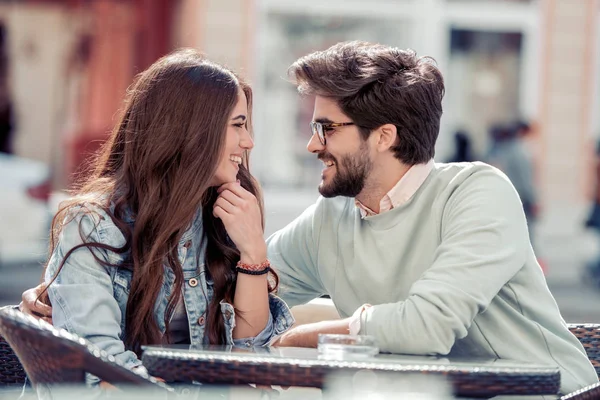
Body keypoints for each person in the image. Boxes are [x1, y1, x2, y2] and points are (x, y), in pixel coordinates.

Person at [21, 41, 597, 395]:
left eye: (326, 128)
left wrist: (302, 334)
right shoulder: (331, 221)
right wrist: (58, 295)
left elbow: (428, 325)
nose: (310, 145)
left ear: (385, 136)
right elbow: (236, 293)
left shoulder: (476, 192)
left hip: (544, 393)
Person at [17, 48, 293, 386]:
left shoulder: (225, 215)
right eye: (238, 125)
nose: (248, 142)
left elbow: (248, 355)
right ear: (190, 131)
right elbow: (100, 371)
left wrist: (253, 254)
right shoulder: (93, 224)